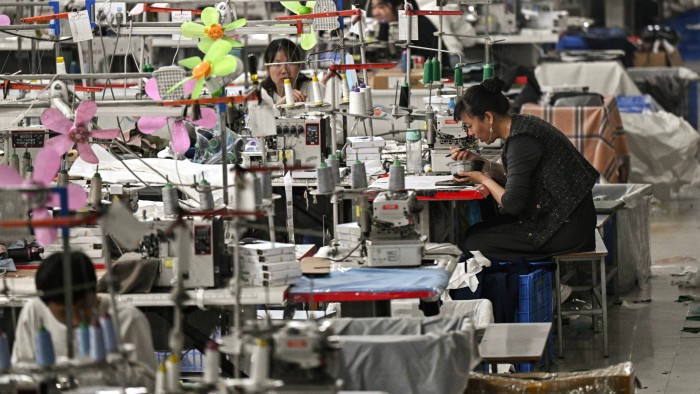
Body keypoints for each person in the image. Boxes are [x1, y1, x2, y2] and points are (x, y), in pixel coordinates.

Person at [449, 77, 599, 322]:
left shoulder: (521, 141)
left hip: (565, 229)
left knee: (473, 241)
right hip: (566, 219)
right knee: (481, 231)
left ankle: (542, 294)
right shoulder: (523, 126)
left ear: (487, 117)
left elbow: (513, 203)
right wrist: (483, 164)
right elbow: (517, 176)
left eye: (468, 126)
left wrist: (481, 178)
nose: (469, 133)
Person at [12, 251, 157, 390]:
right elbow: (21, 375)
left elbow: (151, 383)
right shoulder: (34, 312)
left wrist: (103, 373)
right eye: (63, 313)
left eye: (83, 307)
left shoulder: (127, 319)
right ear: (46, 305)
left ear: (95, 292)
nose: (76, 321)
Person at [370, 0, 449, 68]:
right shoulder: (385, 25)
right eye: (373, 7)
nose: (375, 13)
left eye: (381, 7)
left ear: (400, 6)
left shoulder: (419, 25)